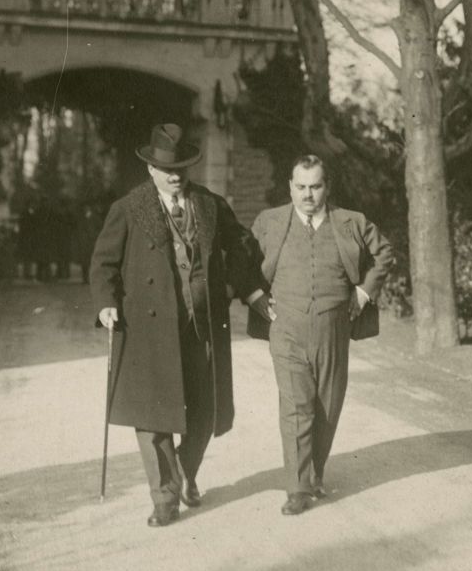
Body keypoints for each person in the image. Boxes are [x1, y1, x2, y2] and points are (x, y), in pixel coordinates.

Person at [90, 123, 268, 527]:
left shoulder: (209, 205)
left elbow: (240, 246)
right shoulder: (128, 208)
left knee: (204, 411)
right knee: (154, 419)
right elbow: (102, 263)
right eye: (165, 167)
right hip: (149, 330)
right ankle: (165, 499)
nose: (174, 175)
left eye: (181, 167)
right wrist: (105, 304)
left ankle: (185, 472)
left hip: (200, 325)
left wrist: (251, 290)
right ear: (150, 168)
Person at [249, 155, 394, 516]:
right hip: (286, 327)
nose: (308, 195)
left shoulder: (351, 223)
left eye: (315, 187)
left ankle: (314, 473)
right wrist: (254, 296)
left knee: (327, 404)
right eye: (301, 187)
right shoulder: (269, 222)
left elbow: (384, 253)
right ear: (290, 187)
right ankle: (297, 488)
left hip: (334, 326)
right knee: (296, 404)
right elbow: (241, 261)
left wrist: (362, 293)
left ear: (326, 187)